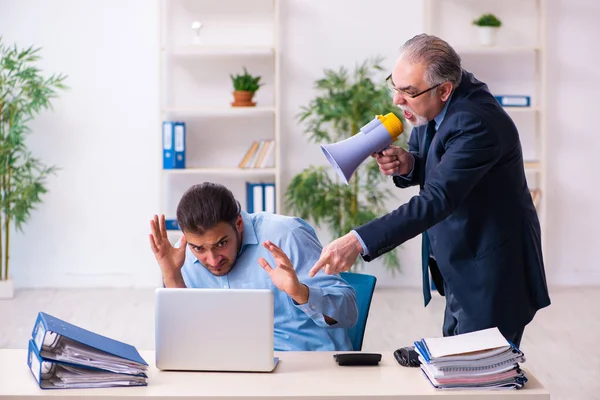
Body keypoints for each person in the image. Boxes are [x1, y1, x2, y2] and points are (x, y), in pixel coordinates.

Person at [309, 34, 550, 348]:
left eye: (407, 91)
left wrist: (358, 240)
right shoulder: (431, 102)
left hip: (493, 271)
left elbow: (438, 198)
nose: (397, 100)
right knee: (459, 364)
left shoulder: (476, 122)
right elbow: (438, 161)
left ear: (445, 89)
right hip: (463, 264)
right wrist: (409, 163)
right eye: (394, 86)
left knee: (483, 375)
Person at [149, 182, 358, 351]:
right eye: (199, 249)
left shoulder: (285, 234)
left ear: (239, 224)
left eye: (221, 243)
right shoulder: (181, 254)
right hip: (234, 372)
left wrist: (300, 293)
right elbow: (187, 339)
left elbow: (348, 312)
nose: (212, 260)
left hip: (307, 369)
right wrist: (172, 275)